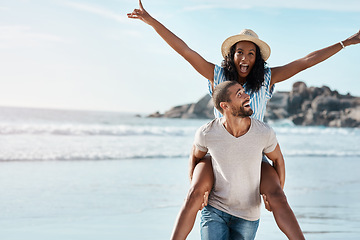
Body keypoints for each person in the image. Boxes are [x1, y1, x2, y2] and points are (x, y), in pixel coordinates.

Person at [127, 1, 360, 239]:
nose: (245, 57)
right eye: (240, 52)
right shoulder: (216, 75)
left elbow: (306, 61)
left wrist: (346, 42)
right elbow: (185, 51)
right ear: (232, 54)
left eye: (251, 53)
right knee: (194, 192)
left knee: (278, 195)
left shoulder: (267, 78)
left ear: (257, 58)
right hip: (218, 152)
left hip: (253, 153)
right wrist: (151, 21)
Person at [188, 81, 285, 240]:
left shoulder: (262, 132)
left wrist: (276, 195)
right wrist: (195, 188)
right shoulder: (208, 132)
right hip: (215, 209)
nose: (247, 96)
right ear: (224, 106)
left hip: (247, 215)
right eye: (239, 94)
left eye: (244, 91)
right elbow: (195, 156)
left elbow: (278, 160)